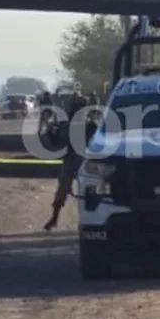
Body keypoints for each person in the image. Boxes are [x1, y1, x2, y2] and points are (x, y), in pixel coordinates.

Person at [43, 92, 96, 231]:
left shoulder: (87, 126)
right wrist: (51, 132)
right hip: (73, 160)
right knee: (63, 190)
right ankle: (54, 219)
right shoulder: (70, 126)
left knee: (89, 191)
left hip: (83, 161)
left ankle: (91, 219)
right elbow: (56, 143)